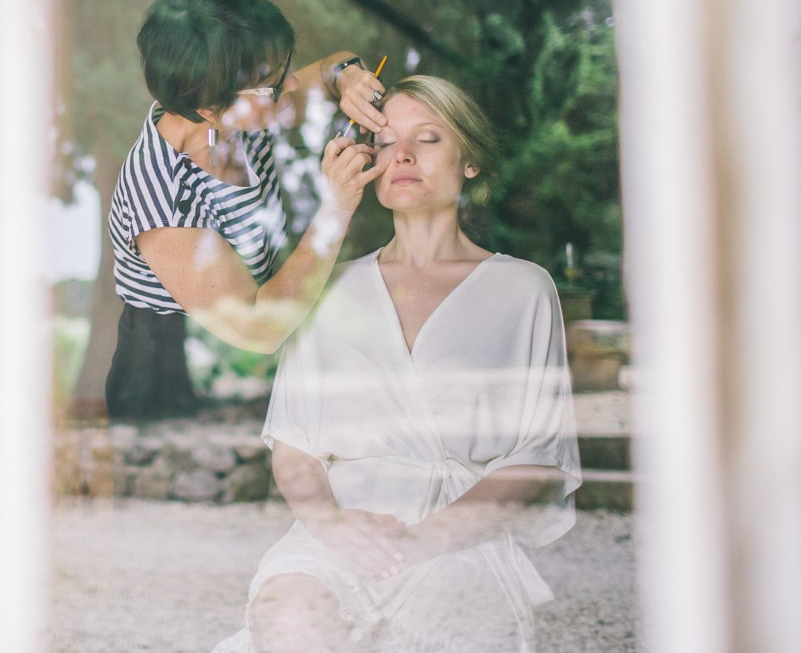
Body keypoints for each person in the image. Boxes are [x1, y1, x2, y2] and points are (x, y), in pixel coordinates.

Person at [214, 75, 582, 652]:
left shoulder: (523, 290)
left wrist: (421, 542)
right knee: (291, 612)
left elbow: (535, 463)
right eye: (386, 142)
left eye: (429, 138)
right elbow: (293, 445)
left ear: (471, 163)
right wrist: (334, 527)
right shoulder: (331, 289)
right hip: (339, 528)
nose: (403, 154)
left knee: (444, 622)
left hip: (460, 536)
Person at [105, 0, 390, 419]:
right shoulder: (164, 200)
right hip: (176, 388)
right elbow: (260, 328)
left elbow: (330, 73)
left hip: (266, 348)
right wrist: (336, 208)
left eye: (285, 67)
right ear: (208, 111)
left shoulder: (240, 110)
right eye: (274, 85)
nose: (293, 84)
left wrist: (348, 76)